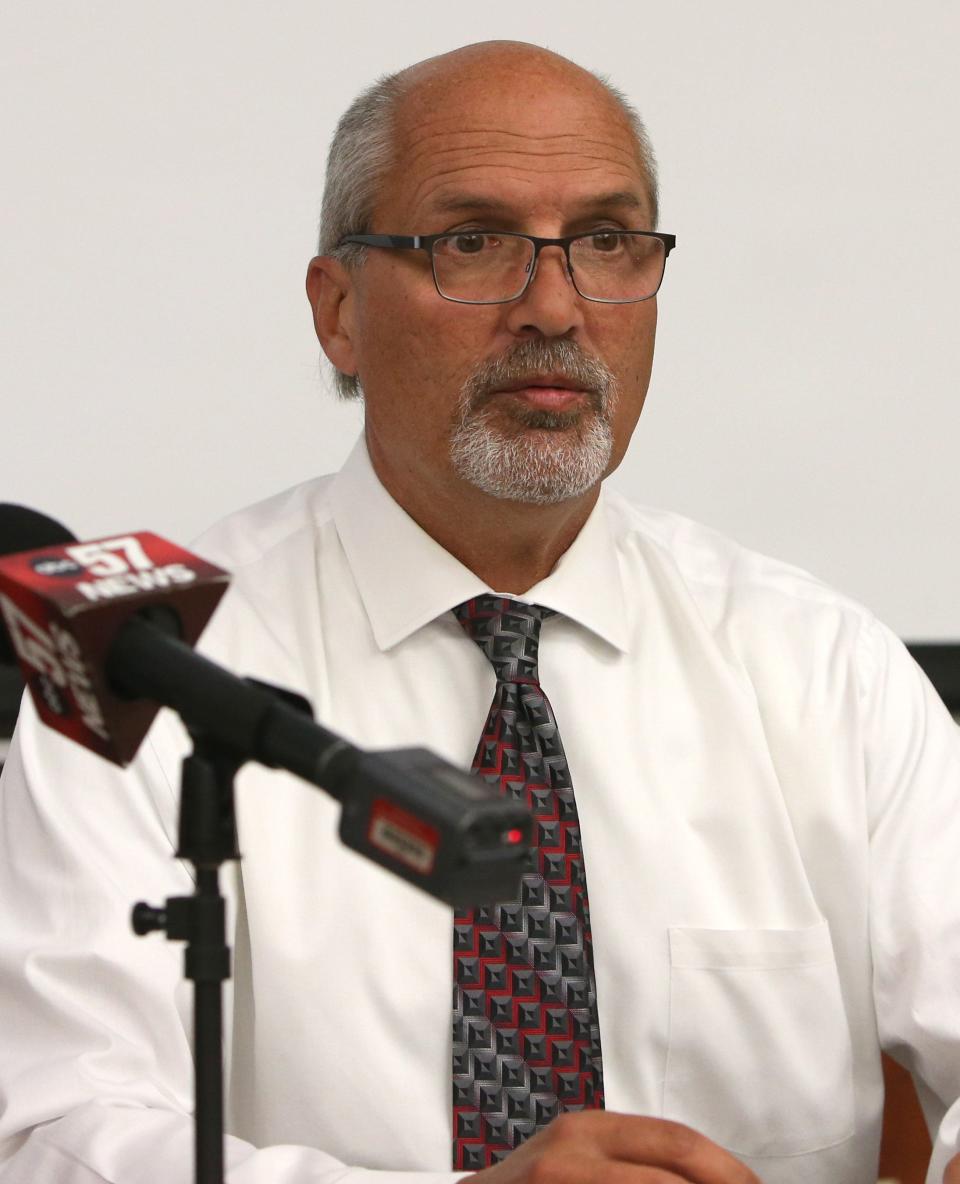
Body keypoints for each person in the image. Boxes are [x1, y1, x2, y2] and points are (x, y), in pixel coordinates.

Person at [0, 38, 958, 1184]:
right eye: (474, 243)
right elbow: (53, 1129)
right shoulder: (155, 665)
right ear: (339, 309)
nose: (553, 305)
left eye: (607, 242)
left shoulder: (821, 665)